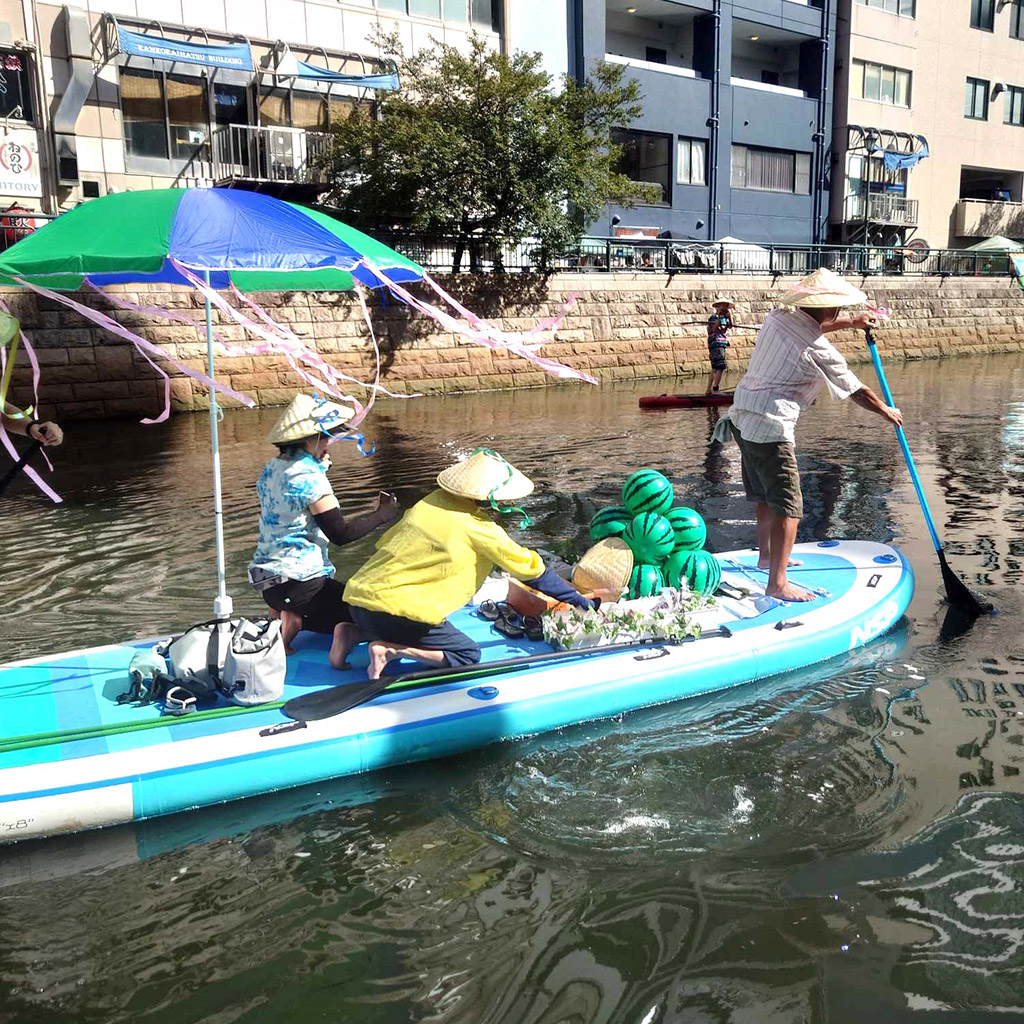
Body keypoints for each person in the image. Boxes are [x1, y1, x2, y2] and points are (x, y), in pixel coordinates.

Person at [713, 268, 902, 602]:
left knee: (764, 495)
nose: (839, 315)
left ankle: (767, 556)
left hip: (742, 416)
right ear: (830, 307)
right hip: (771, 426)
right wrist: (887, 411)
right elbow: (855, 389)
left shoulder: (778, 317)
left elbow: (815, 325)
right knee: (789, 506)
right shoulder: (820, 351)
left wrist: (852, 324)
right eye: (839, 311)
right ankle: (778, 583)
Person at [344, 448, 595, 679]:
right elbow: (533, 571)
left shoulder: (430, 502)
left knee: (392, 619)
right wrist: (578, 599)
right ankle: (390, 651)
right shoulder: (480, 529)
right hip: (397, 615)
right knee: (467, 655)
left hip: (359, 604)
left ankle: (351, 633)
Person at [248, 393, 401, 668]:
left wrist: (319, 466)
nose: (330, 441)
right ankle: (294, 620)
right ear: (312, 438)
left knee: (328, 598)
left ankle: (284, 613)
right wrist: (383, 514)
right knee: (373, 616)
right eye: (327, 436)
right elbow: (340, 534)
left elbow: (293, 508)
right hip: (302, 584)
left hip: (267, 578)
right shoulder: (310, 479)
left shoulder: (272, 467)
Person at [705, 296, 735, 395]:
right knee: (720, 366)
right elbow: (713, 329)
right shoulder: (714, 317)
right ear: (718, 307)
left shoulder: (725, 318)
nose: (725, 307)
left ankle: (708, 390)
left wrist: (729, 317)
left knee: (715, 367)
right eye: (723, 306)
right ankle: (715, 389)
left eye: (726, 306)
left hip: (720, 342)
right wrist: (719, 318)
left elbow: (730, 326)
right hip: (716, 342)